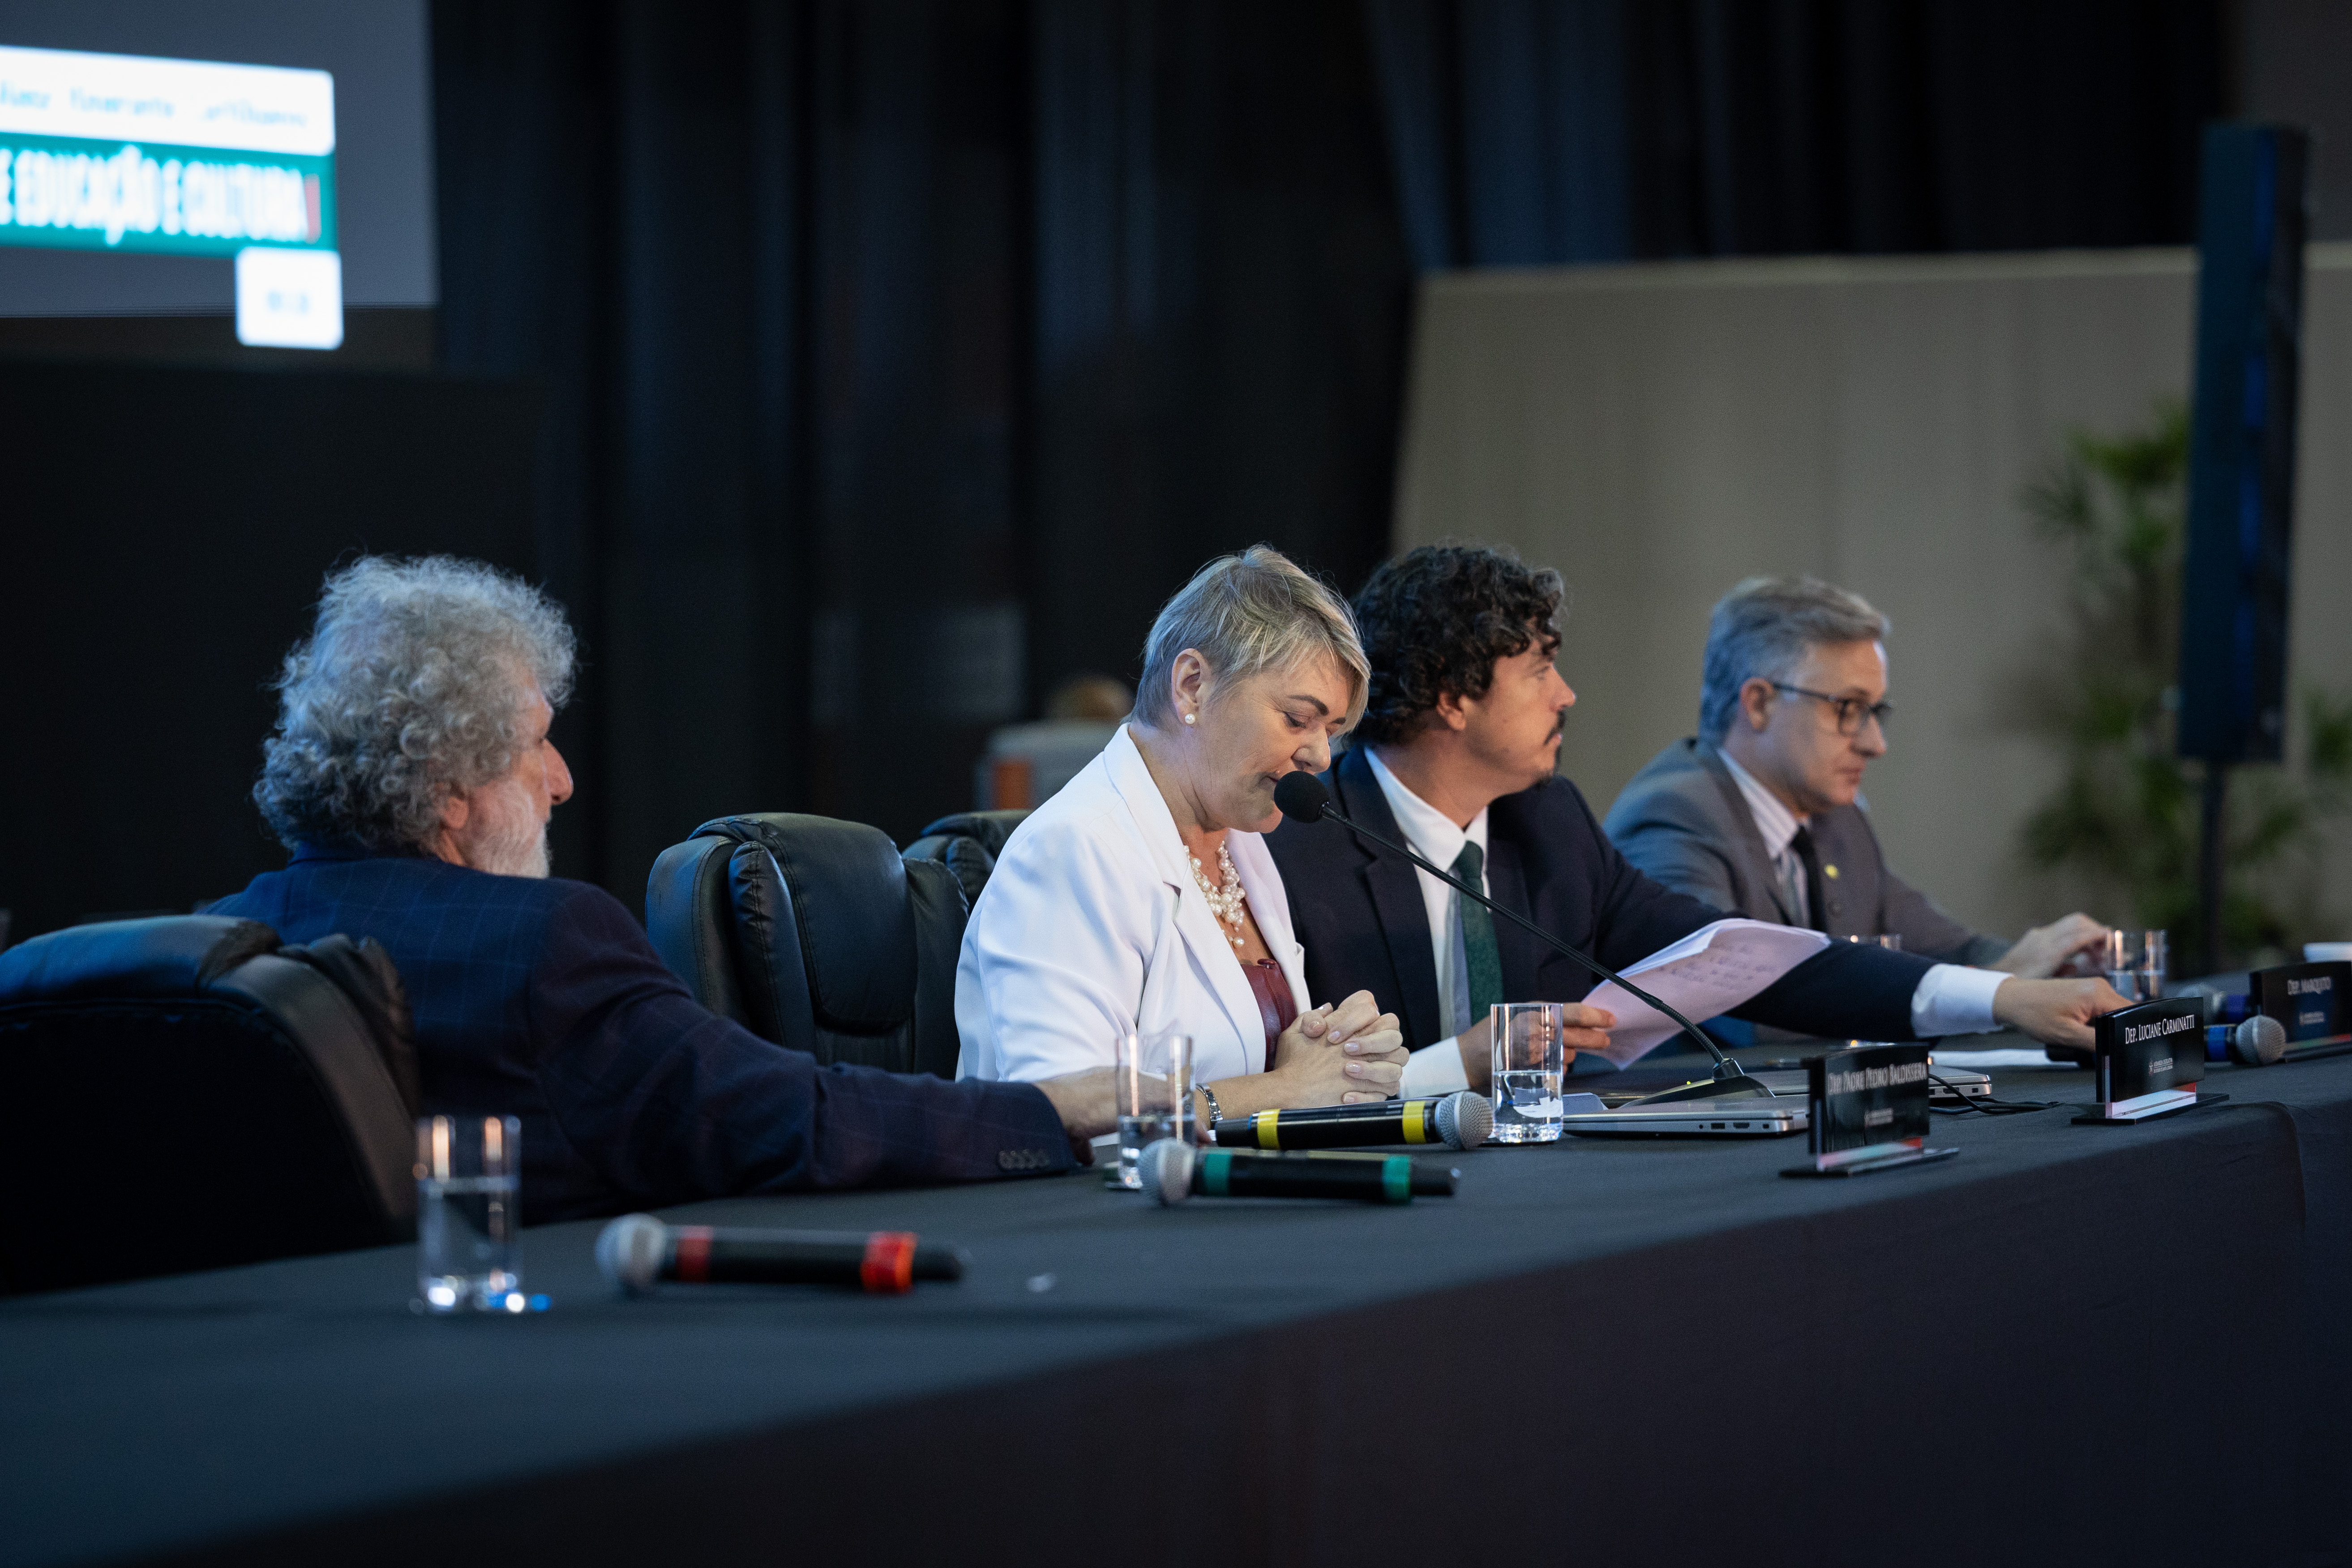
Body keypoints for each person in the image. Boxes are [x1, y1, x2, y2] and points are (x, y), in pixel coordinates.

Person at [211, 556, 1116, 1224]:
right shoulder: (543, 943)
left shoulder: (215, 950)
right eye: (535, 743)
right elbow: (793, 1119)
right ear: (449, 787)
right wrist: (1045, 1110)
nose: (561, 780)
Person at [1266, 544, 2127, 1094]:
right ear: (1454, 698)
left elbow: (1751, 959)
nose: (1567, 695)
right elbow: (1285, 1086)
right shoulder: (1303, 842)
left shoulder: (1548, 822)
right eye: (1538, 670)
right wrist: (1459, 1062)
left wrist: (2004, 996)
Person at [957, 546, 1410, 1121]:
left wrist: (1337, 1055)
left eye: (1332, 730)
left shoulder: (1241, 844)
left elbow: (1273, 1071)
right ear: (1192, 685)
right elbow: (1062, 1115)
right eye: (1298, 719)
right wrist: (1287, 1088)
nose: (1320, 756)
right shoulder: (1072, 849)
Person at [1604, 575, 2107, 976]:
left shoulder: (1836, 817)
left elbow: (1947, 950)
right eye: (1847, 708)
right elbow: (1733, 1000)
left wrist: (2048, 964)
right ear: (1759, 704)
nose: (1875, 744)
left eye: (1875, 711)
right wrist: (1996, 984)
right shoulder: (1674, 815)